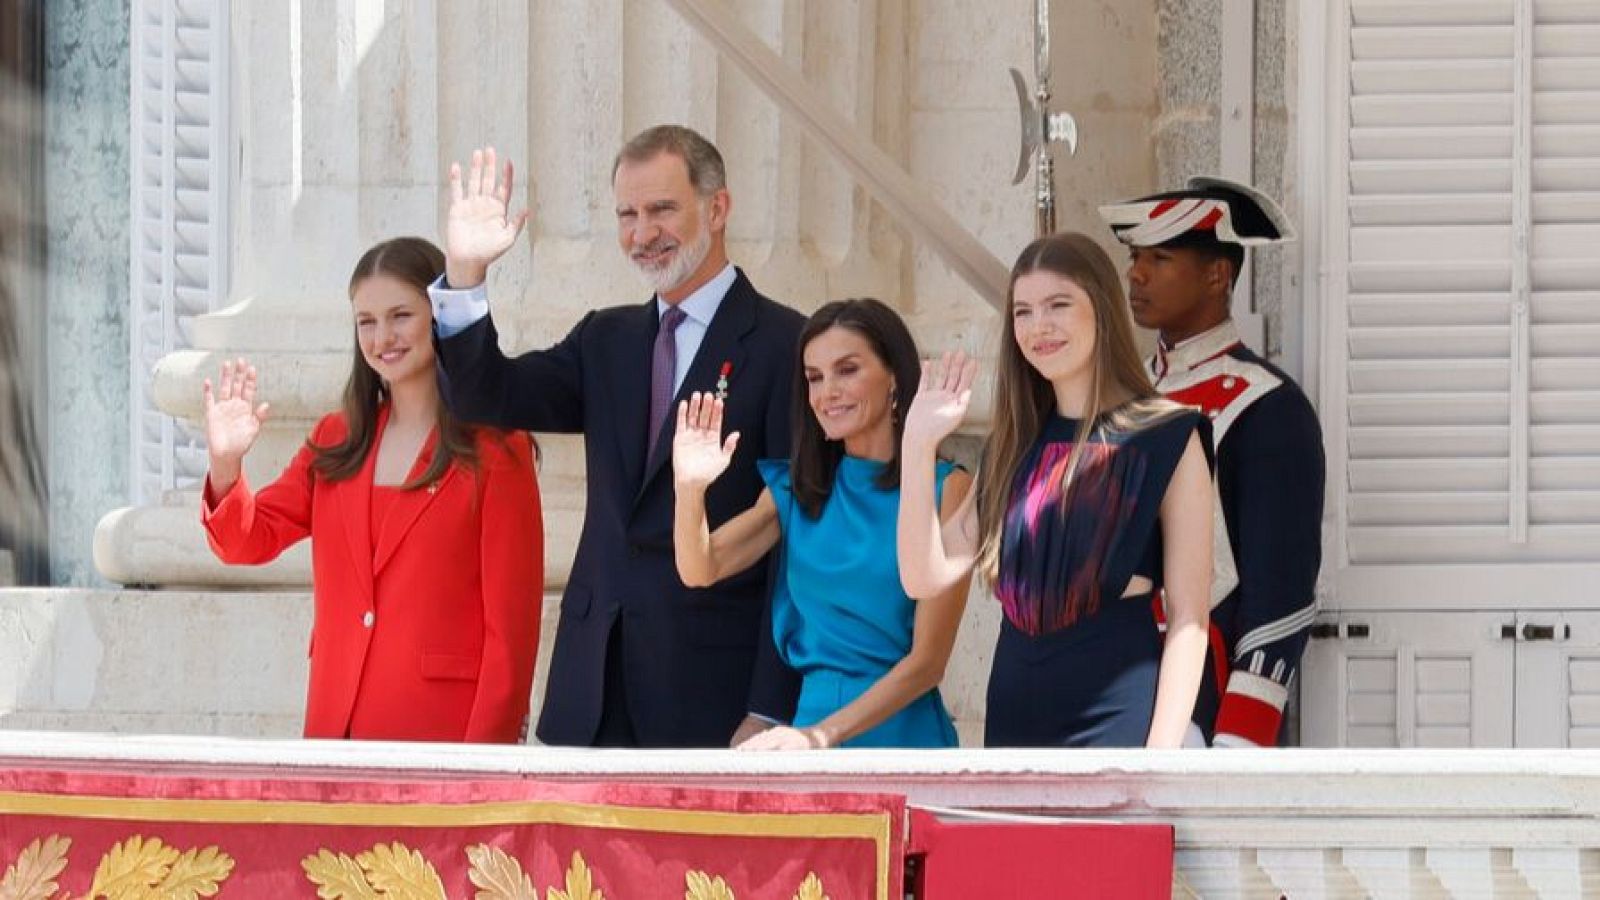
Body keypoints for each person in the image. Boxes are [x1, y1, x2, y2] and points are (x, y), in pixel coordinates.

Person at [429, 127, 803, 747]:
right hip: (592, 688)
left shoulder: (785, 344)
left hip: (715, 691)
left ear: (718, 208)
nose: (641, 233)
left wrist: (770, 704)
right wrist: (466, 273)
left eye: (661, 209)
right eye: (627, 214)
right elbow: (484, 394)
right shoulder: (607, 339)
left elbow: (795, 538)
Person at [201, 236, 543, 743]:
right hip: (336, 733)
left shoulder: (497, 450)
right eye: (366, 321)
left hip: (445, 741)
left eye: (400, 315)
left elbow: (511, 639)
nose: (383, 336)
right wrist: (226, 464)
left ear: (438, 316)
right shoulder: (335, 440)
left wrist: (481, 772)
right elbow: (244, 541)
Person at [898, 232, 1213, 748]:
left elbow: (1189, 617)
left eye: (1058, 305)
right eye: (1022, 311)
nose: (1037, 326)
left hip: (1118, 718)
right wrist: (917, 443)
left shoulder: (1168, 434)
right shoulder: (1014, 442)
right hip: (1013, 717)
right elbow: (923, 576)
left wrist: (1160, 761)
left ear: (1102, 310)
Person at [672, 299, 971, 749]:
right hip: (805, 735)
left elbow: (928, 662)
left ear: (894, 376)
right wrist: (690, 490)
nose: (827, 391)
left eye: (847, 370)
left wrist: (819, 737)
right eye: (814, 378)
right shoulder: (797, 487)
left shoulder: (947, 488)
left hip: (899, 739)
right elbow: (700, 568)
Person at [1101, 176, 1325, 747]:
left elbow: (1280, 594)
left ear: (1217, 275)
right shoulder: (1123, 396)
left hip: (1205, 693)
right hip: (1109, 688)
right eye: (1134, 258)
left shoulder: (1267, 404)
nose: (1136, 274)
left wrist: (1239, 741)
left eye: (1160, 257)